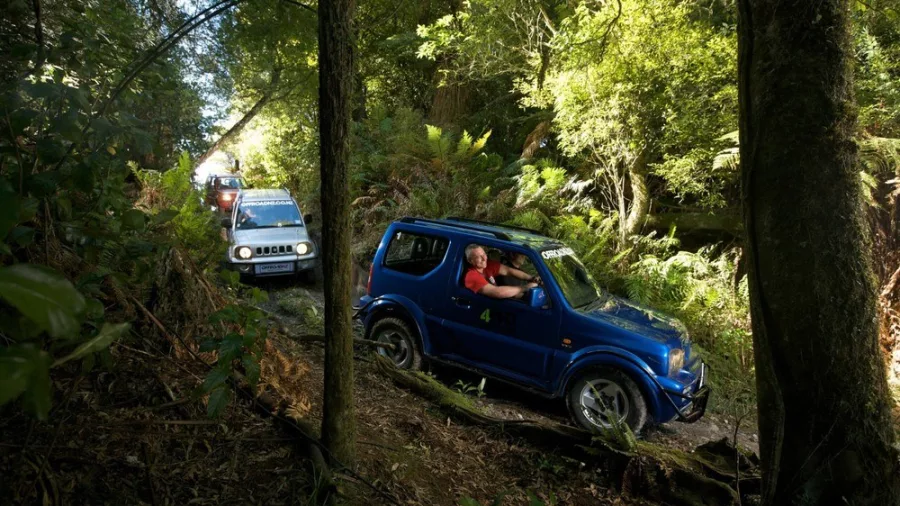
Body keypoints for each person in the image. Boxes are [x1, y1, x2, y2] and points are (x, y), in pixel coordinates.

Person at [463, 245, 540, 299]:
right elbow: (497, 292)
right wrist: (525, 288)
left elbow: (509, 271)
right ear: (470, 261)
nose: (484, 258)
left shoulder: (488, 265)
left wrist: (532, 278)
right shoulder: (471, 276)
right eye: (478, 257)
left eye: (484, 254)